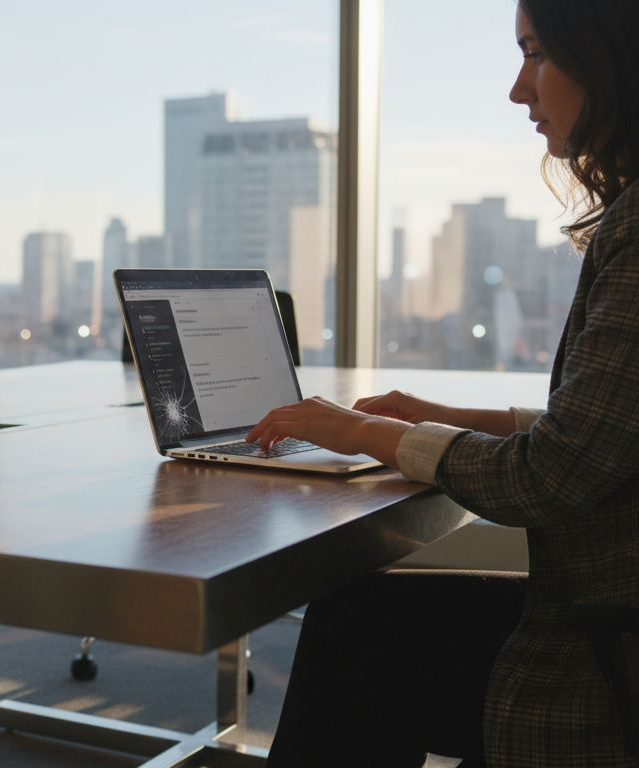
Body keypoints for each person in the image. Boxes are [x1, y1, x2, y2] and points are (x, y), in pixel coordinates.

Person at [247, 0, 639, 764]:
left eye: (536, 54)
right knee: (362, 617)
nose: (518, 90)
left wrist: (368, 434)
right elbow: (607, 428)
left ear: (611, 55)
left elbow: (552, 476)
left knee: (360, 635)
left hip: (603, 657)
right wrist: (439, 416)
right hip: (608, 616)